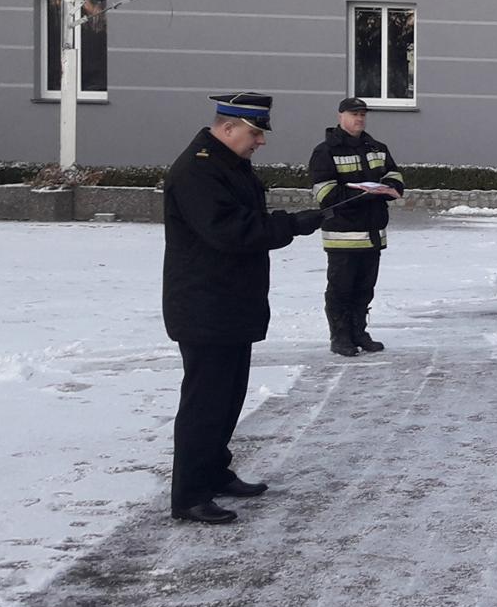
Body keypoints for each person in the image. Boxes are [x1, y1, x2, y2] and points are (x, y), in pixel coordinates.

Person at [162, 92, 328, 525]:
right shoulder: (197, 170)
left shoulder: (227, 164)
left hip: (229, 302)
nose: (261, 142)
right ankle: (190, 495)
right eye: (255, 133)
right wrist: (290, 225)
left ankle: (214, 473)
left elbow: (242, 219)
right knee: (205, 402)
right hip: (205, 305)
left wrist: (287, 221)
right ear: (228, 127)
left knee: (228, 396)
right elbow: (229, 231)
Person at [310, 97, 406, 357]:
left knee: (365, 289)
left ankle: (358, 332)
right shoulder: (326, 151)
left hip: (373, 233)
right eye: (354, 114)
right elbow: (325, 195)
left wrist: (390, 188)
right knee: (341, 290)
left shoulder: (377, 147)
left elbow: (394, 175)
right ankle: (340, 337)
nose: (360, 118)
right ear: (340, 116)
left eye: (363, 114)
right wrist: (363, 194)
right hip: (343, 235)